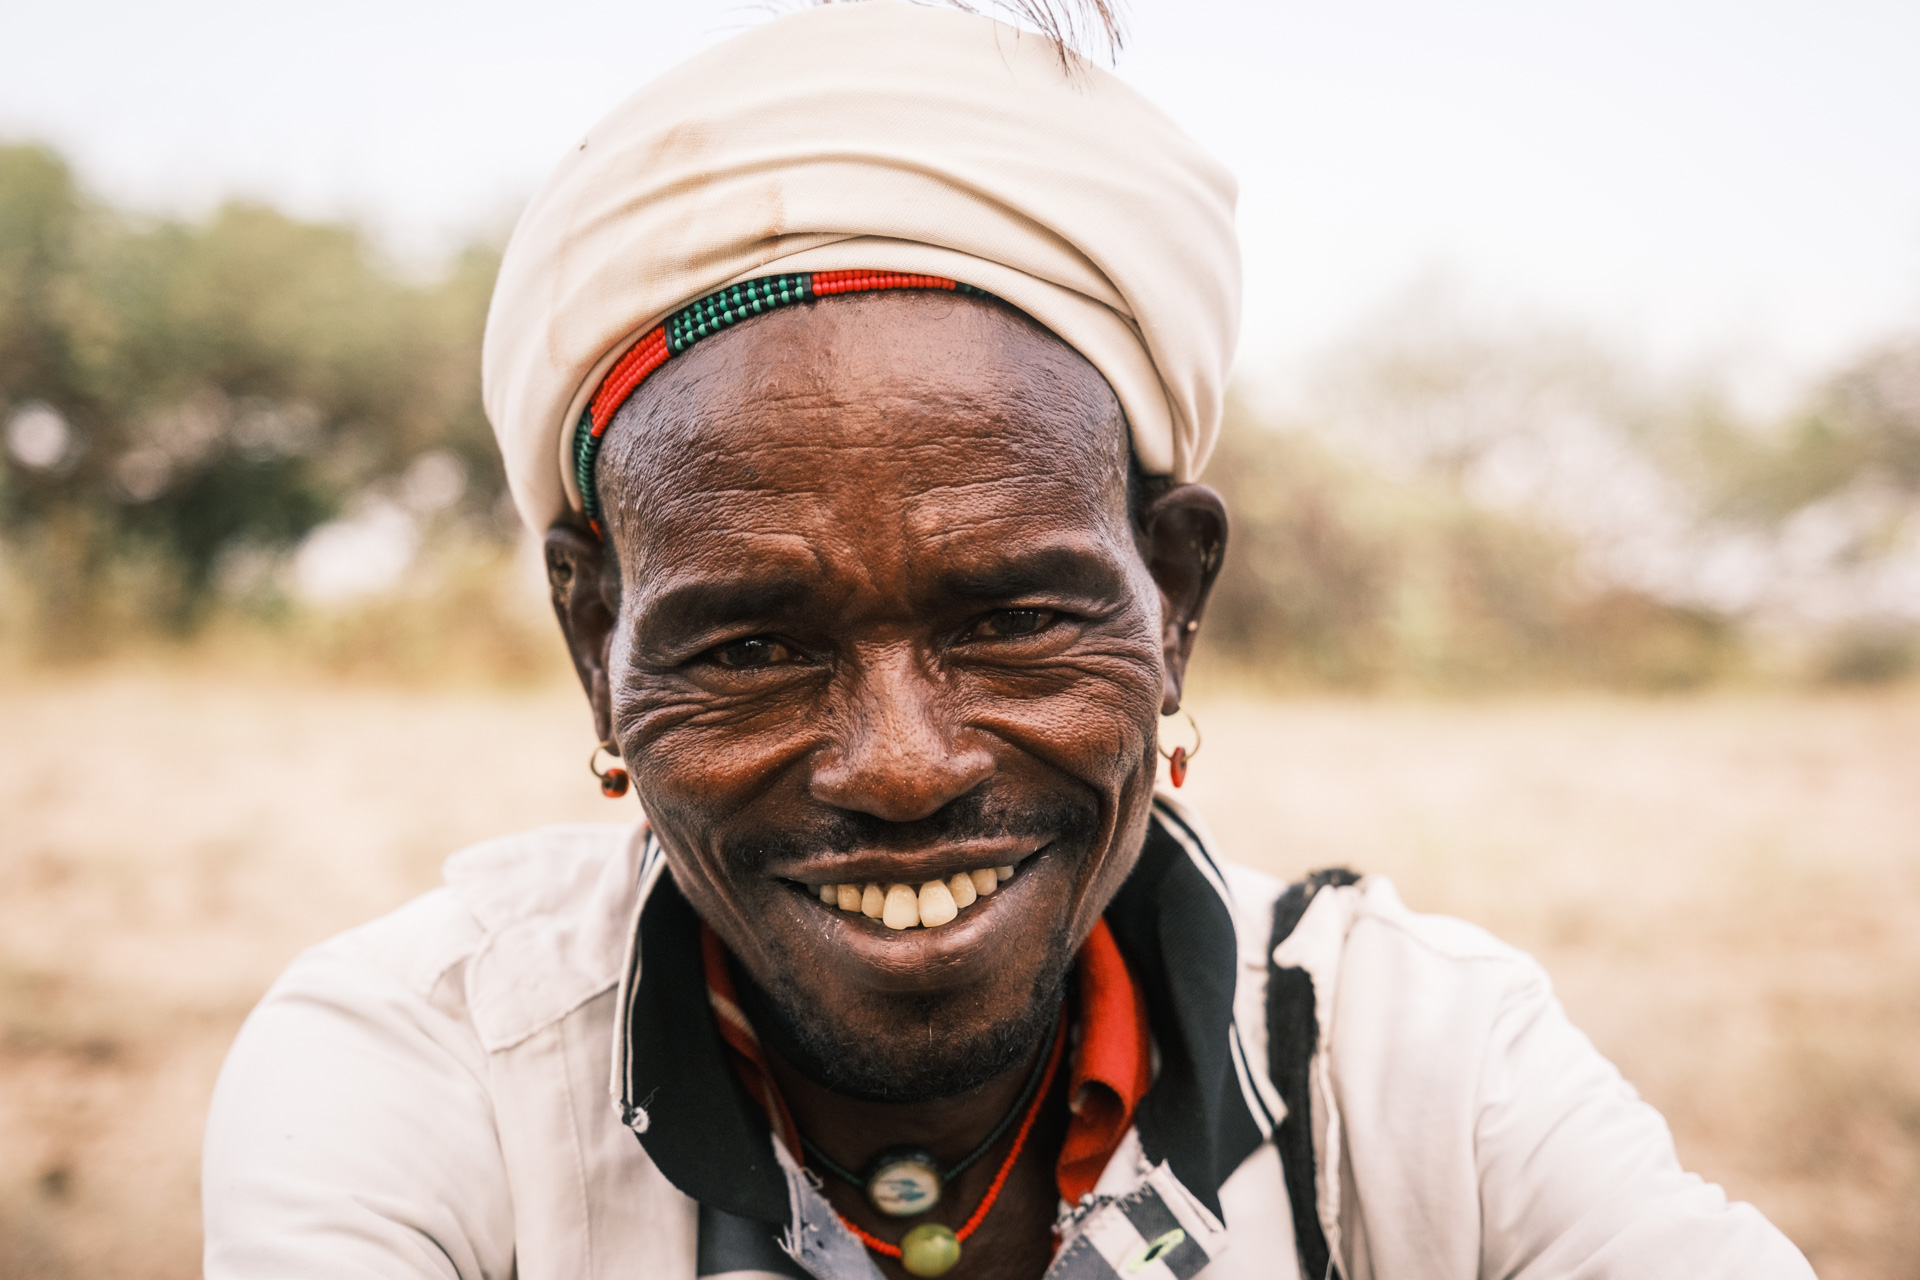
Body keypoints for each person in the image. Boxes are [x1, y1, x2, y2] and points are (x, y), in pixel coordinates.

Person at [200, 4, 1816, 1278]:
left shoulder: (1415, 1069)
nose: (901, 765)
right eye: (754, 644)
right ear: (596, 642)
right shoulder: (422, 1075)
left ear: (1172, 605)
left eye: (1014, 620)